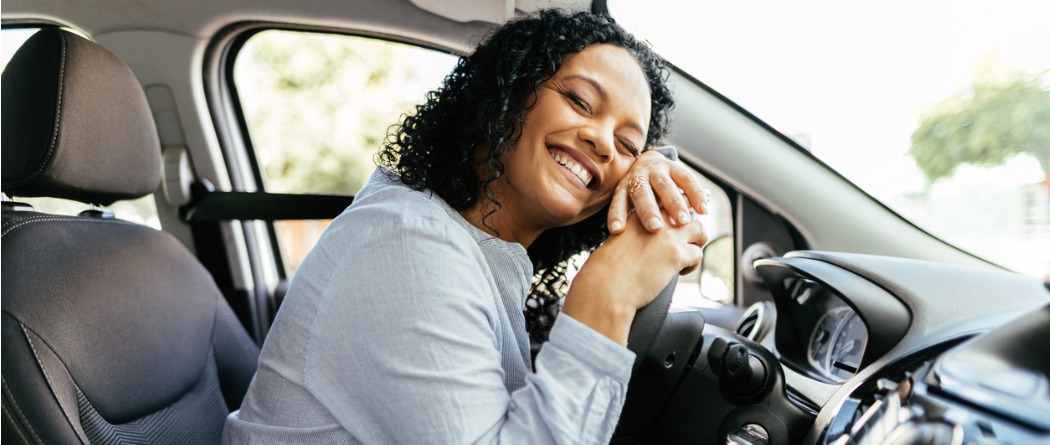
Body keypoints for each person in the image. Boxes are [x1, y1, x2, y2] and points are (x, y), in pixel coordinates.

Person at [224, 9, 708, 444]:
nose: (604, 142)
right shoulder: (408, 245)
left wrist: (653, 166)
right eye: (580, 101)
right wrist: (608, 294)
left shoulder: (475, 249)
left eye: (627, 145)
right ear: (505, 94)